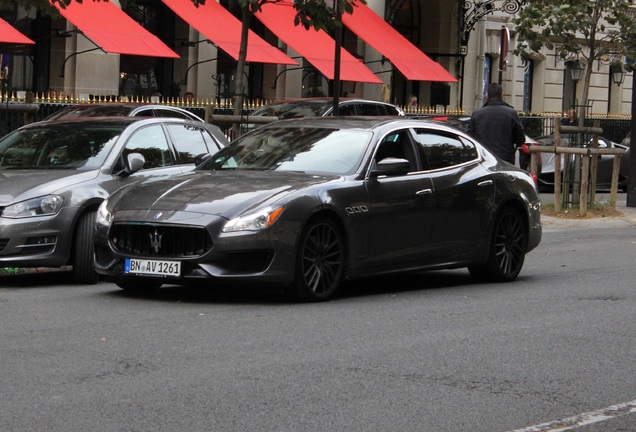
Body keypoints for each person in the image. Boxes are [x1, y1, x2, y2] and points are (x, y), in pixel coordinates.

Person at [467, 82, 526, 164]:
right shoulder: (511, 113)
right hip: (505, 159)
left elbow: (470, 138)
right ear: (502, 95)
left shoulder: (477, 114)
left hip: (484, 158)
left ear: (488, 96)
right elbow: (521, 139)